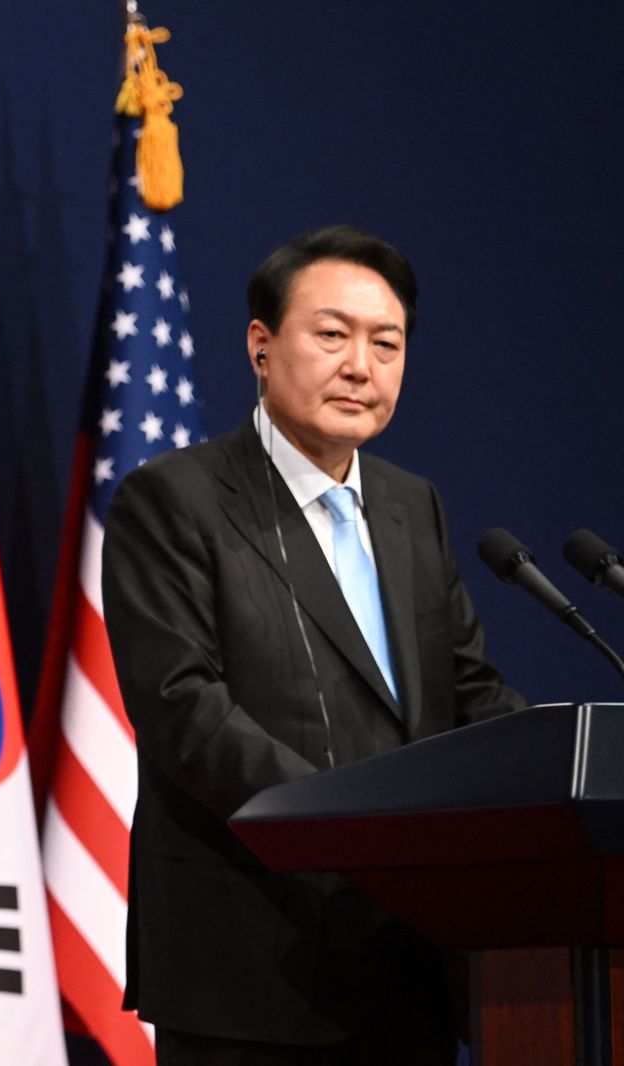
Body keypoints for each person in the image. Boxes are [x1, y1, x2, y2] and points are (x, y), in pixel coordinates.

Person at [102, 225, 525, 1065]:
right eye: (332, 335)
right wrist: (351, 832)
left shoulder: (411, 506)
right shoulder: (174, 500)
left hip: (407, 957)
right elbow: (184, 710)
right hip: (253, 961)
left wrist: (569, 768)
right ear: (261, 346)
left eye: (386, 344)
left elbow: (469, 694)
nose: (361, 366)